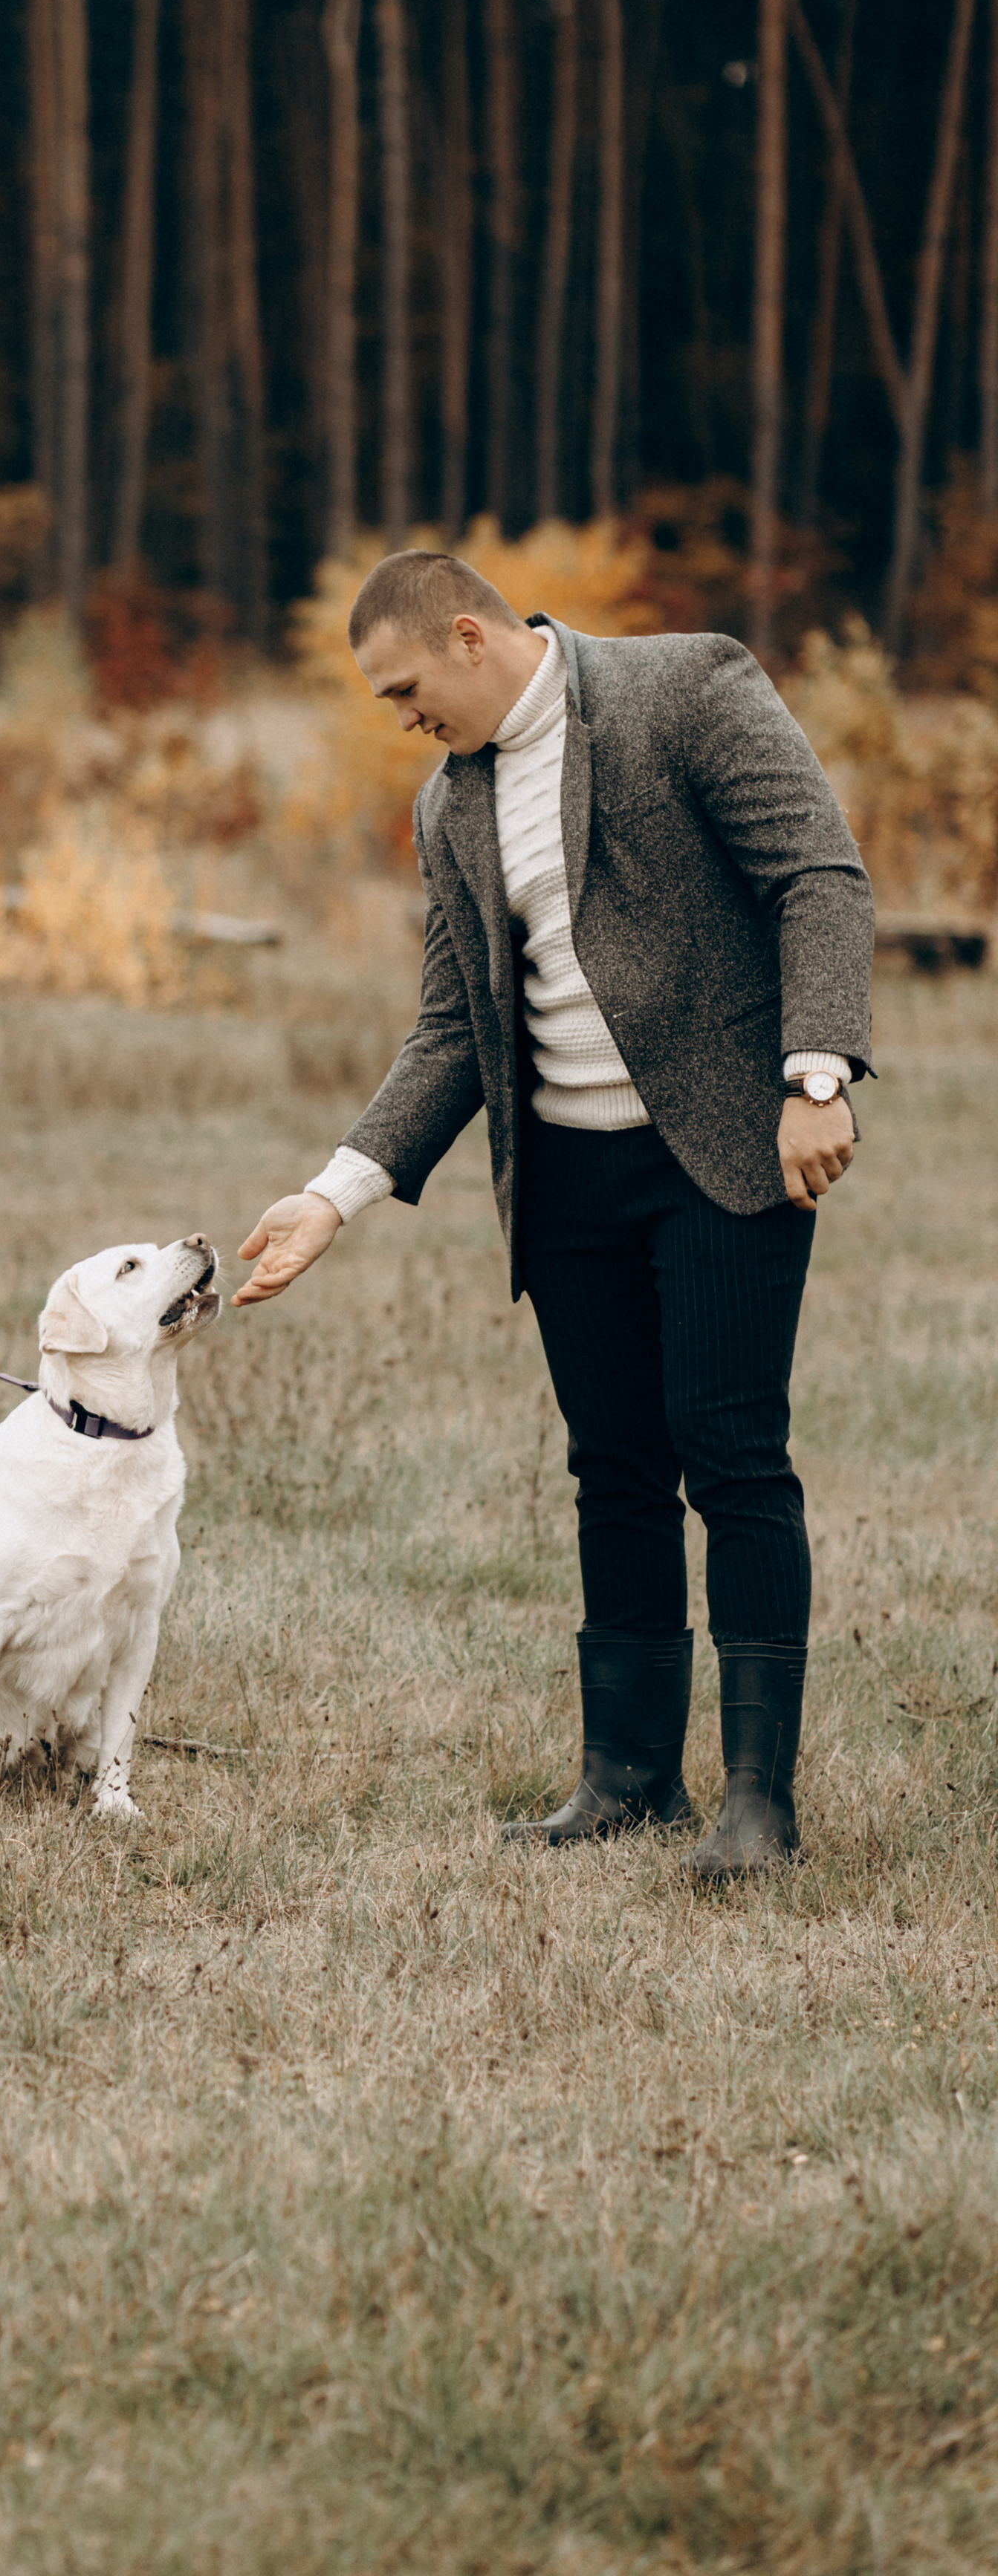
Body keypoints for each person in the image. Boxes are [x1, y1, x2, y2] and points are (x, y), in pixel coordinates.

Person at [234, 550, 873, 1881]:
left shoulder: (682, 688)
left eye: (409, 690)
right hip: (568, 1183)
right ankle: (629, 1778)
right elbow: (454, 1027)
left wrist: (817, 1074)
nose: (403, 720)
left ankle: (760, 1806)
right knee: (614, 1469)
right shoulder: (447, 806)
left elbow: (817, 878)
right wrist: (333, 1193)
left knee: (733, 1456)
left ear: (469, 636)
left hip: (720, 1148)